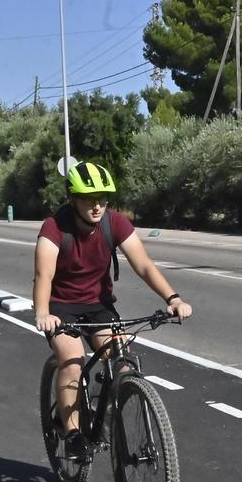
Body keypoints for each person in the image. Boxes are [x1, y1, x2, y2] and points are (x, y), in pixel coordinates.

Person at [33, 161, 193, 459]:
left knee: (124, 364)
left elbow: (143, 265)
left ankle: (105, 416)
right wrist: (43, 312)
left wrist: (172, 298)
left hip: (99, 307)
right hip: (62, 307)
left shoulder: (115, 222)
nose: (97, 207)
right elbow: (44, 275)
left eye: (103, 200)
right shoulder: (54, 228)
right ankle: (72, 435)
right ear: (72, 199)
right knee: (72, 358)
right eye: (89, 200)